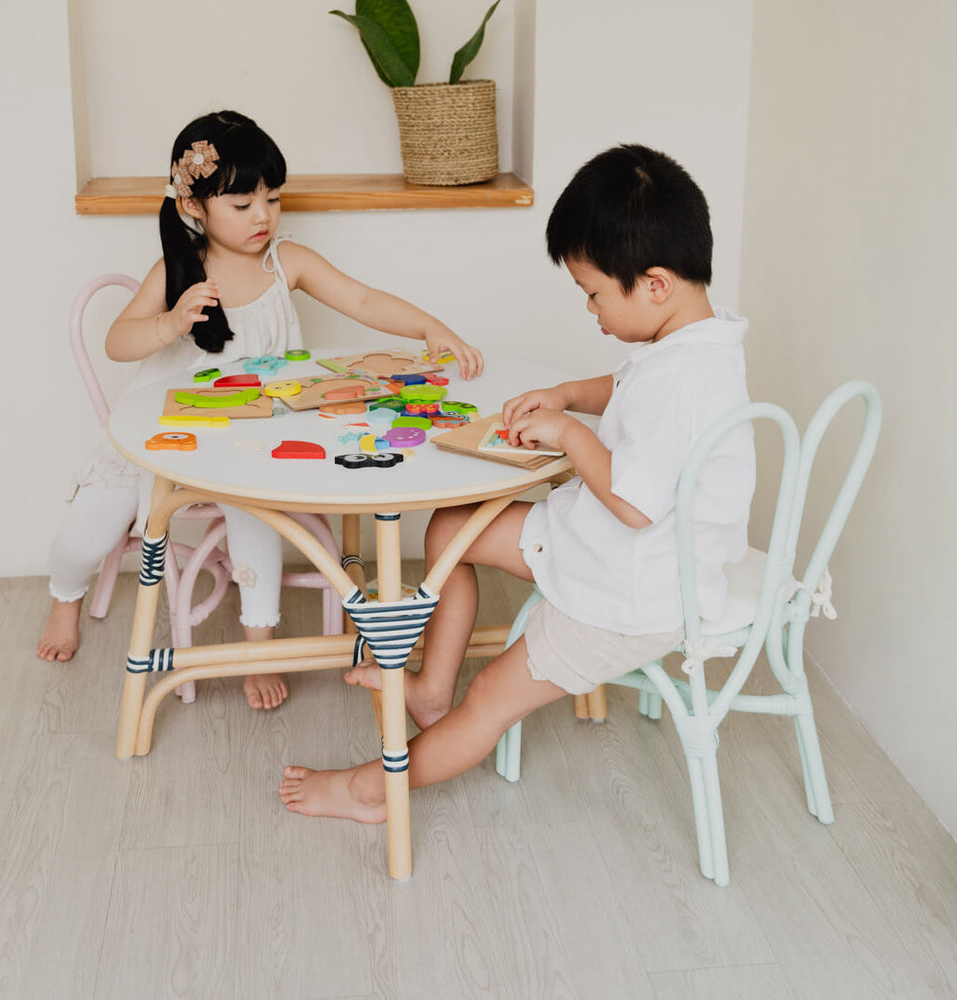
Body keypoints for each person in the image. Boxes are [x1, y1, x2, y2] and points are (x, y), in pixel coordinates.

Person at [278, 143, 756, 821]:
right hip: (596, 545)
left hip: (627, 592)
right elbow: (622, 386)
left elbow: (633, 504)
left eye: (592, 293)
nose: (591, 310)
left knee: (490, 703)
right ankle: (429, 692)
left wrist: (569, 435)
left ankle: (369, 793)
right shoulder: (690, 343)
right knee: (451, 530)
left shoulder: (683, 381)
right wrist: (565, 395)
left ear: (653, 284)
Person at [37, 109, 483, 713]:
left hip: (245, 442)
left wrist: (432, 326)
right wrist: (170, 321)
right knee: (84, 532)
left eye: (271, 199)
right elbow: (117, 343)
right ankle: (65, 596)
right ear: (194, 208)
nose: (263, 217)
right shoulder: (179, 271)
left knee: (257, 522)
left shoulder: (285, 262)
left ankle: (258, 646)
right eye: (242, 204)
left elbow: (361, 298)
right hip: (164, 440)